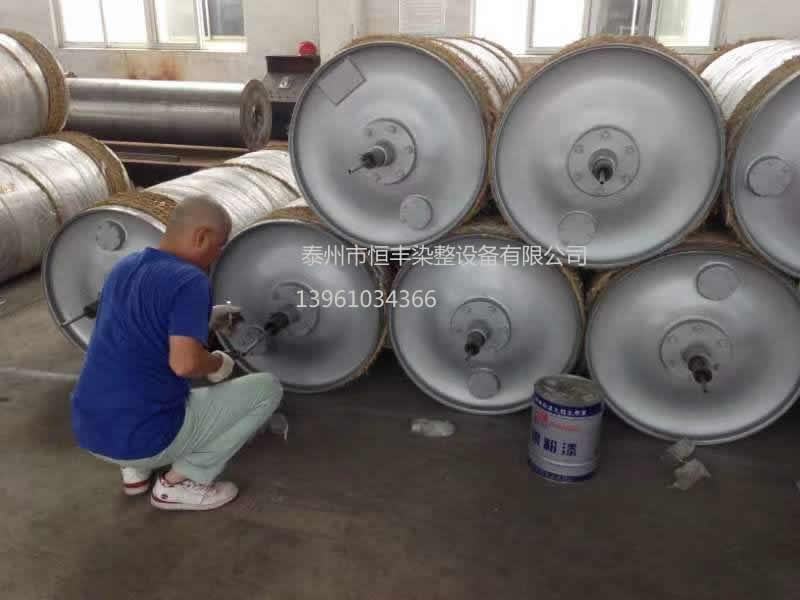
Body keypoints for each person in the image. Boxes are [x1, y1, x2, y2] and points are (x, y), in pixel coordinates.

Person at [71, 196, 282, 511]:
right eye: (219, 246)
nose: (217, 256)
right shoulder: (190, 280)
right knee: (267, 389)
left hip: (90, 429)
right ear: (201, 237)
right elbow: (184, 364)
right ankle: (178, 483)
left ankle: (135, 473)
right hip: (143, 436)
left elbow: (144, 327)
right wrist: (218, 362)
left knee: (130, 376)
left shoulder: (126, 266)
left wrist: (205, 318)